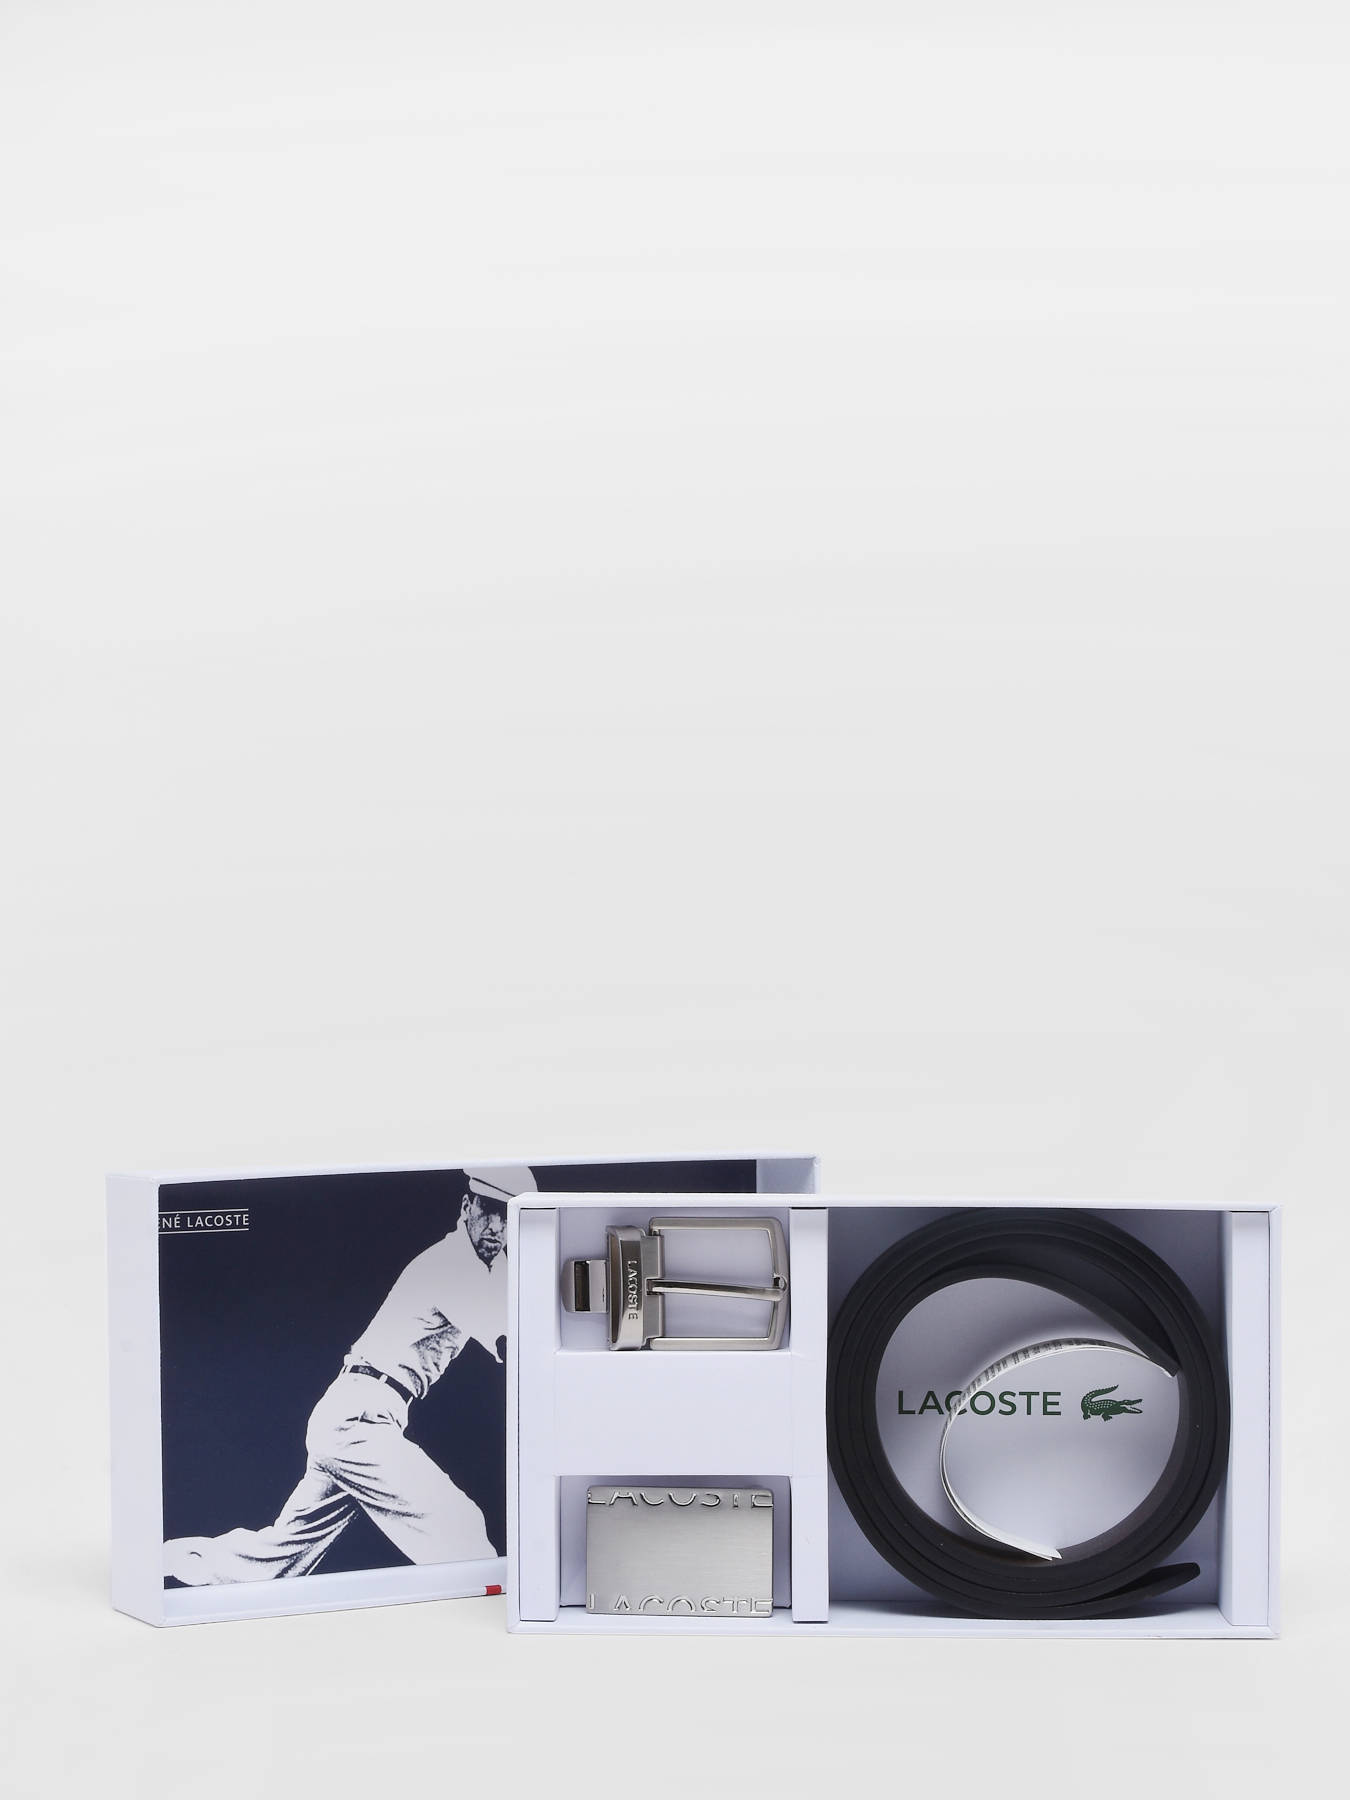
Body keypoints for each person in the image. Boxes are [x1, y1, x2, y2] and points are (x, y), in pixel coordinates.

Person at [163, 1164, 535, 1583]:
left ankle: (164, 1561)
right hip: (359, 1421)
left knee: (273, 1561)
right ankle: (477, 1603)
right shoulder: (453, 1264)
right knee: (458, 1525)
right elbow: (509, 1339)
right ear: (467, 1207)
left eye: (508, 1216)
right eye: (489, 1210)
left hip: (357, 1416)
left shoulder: (489, 1267)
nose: (496, 1226)